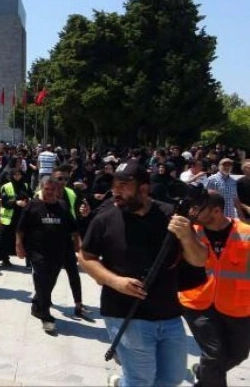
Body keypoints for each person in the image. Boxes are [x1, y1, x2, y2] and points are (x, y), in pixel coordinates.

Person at [78, 159, 208, 386]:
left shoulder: (171, 215)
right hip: (125, 312)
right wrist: (115, 281)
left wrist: (187, 236)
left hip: (169, 314)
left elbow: (199, 259)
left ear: (144, 189)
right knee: (141, 380)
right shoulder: (104, 219)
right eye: (114, 185)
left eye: (123, 186)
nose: (116, 191)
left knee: (172, 378)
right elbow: (85, 258)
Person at [179, 192, 250, 386]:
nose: (193, 212)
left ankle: (203, 373)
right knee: (214, 355)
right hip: (197, 302)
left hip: (237, 305)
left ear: (217, 211)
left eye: (198, 208)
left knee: (238, 354)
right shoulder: (190, 232)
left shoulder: (246, 233)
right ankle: (208, 374)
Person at [16, 176, 81, 333]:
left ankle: (37, 305)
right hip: (37, 251)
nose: (50, 192)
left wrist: (77, 242)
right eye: (47, 189)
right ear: (41, 188)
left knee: (49, 281)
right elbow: (20, 228)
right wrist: (18, 245)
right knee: (42, 279)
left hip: (58, 251)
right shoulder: (32, 206)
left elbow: (73, 227)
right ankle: (46, 316)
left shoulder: (63, 206)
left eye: (53, 189)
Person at [0, 168, 31, 268]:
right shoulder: (6, 187)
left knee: (26, 238)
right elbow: (4, 202)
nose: (17, 176)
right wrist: (16, 203)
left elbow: (31, 196)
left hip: (23, 215)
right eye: (15, 175)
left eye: (19, 174)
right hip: (10, 216)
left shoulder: (25, 185)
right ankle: (5, 259)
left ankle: (29, 261)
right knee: (5, 239)